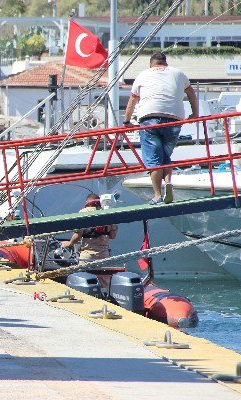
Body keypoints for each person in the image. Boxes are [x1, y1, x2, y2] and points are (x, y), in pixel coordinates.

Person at [123, 51, 198, 205]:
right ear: (166, 63)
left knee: (154, 160)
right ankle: (168, 181)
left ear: (151, 64)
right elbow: (191, 93)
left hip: (149, 119)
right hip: (174, 120)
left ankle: (157, 195)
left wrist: (127, 121)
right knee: (165, 157)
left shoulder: (143, 75)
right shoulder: (179, 73)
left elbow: (132, 100)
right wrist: (195, 114)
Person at [60, 193, 118, 289]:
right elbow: (112, 235)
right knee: (104, 286)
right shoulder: (109, 212)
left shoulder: (84, 212)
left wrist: (69, 244)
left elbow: (78, 235)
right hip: (104, 255)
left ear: (87, 202)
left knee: (82, 282)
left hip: (87, 256)